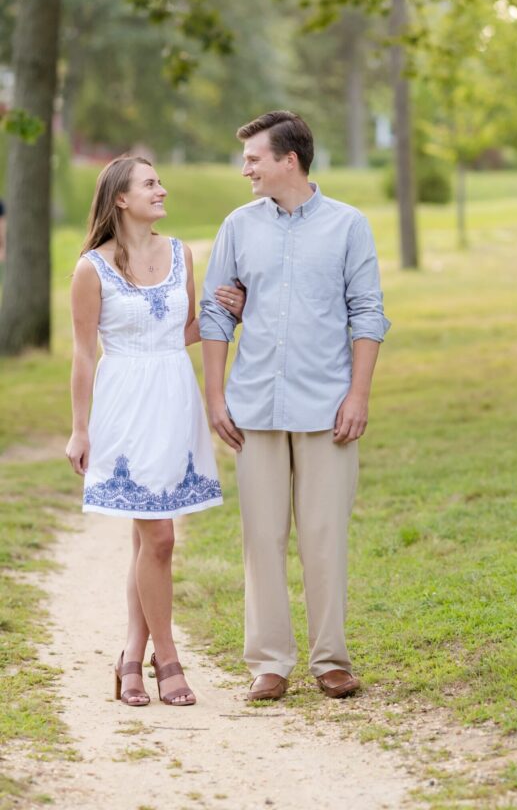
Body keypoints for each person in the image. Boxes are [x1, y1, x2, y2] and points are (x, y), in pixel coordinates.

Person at [200, 110, 390, 702]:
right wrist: (215, 395)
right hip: (254, 404)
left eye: (254, 157)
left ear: (290, 160)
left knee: (324, 534)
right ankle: (270, 664)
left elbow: (367, 313)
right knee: (261, 537)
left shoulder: (348, 226)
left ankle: (331, 659)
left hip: (327, 405)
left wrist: (358, 394)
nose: (245, 167)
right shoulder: (238, 225)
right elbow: (214, 313)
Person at [66, 156, 245, 707]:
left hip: (173, 400)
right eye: (150, 183)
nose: (161, 189)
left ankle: (129, 656)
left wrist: (223, 309)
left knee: (149, 540)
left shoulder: (179, 253)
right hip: (124, 408)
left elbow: (181, 329)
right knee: (161, 538)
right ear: (121, 198)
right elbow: (82, 353)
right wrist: (78, 431)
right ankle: (166, 657)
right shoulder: (90, 269)